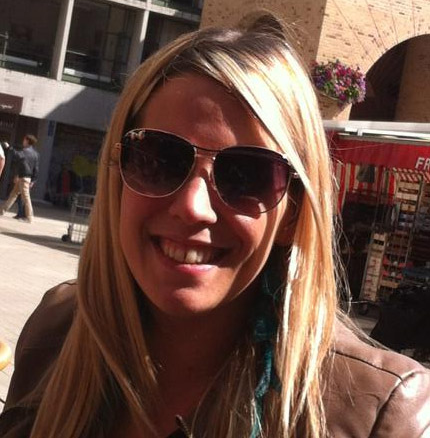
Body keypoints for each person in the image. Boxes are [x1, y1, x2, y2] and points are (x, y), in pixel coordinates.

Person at [1, 23, 429, 438]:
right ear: (117, 176)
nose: (192, 207)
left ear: (294, 212)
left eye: (247, 174)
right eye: (158, 159)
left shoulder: (383, 415)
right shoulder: (57, 330)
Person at [0, 135, 39, 223]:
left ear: (27, 141)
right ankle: (1, 211)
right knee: (13, 195)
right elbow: (36, 168)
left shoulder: (25, 152)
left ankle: (29, 218)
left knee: (26, 198)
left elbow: (17, 155)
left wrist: (8, 147)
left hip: (24, 178)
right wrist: (33, 180)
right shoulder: (35, 154)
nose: (23, 141)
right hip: (24, 178)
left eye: (24, 140)